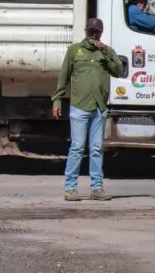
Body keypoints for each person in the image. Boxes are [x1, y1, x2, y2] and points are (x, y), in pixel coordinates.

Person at [52, 18, 124, 202]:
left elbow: (118, 71)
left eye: (97, 31)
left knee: (97, 149)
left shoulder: (107, 52)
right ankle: (70, 188)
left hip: (99, 107)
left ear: (101, 33)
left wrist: (106, 52)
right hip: (79, 107)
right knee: (76, 148)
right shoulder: (74, 50)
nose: (94, 34)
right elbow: (63, 77)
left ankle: (97, 188)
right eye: (91, 31)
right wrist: (57, 100)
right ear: (86, 31)